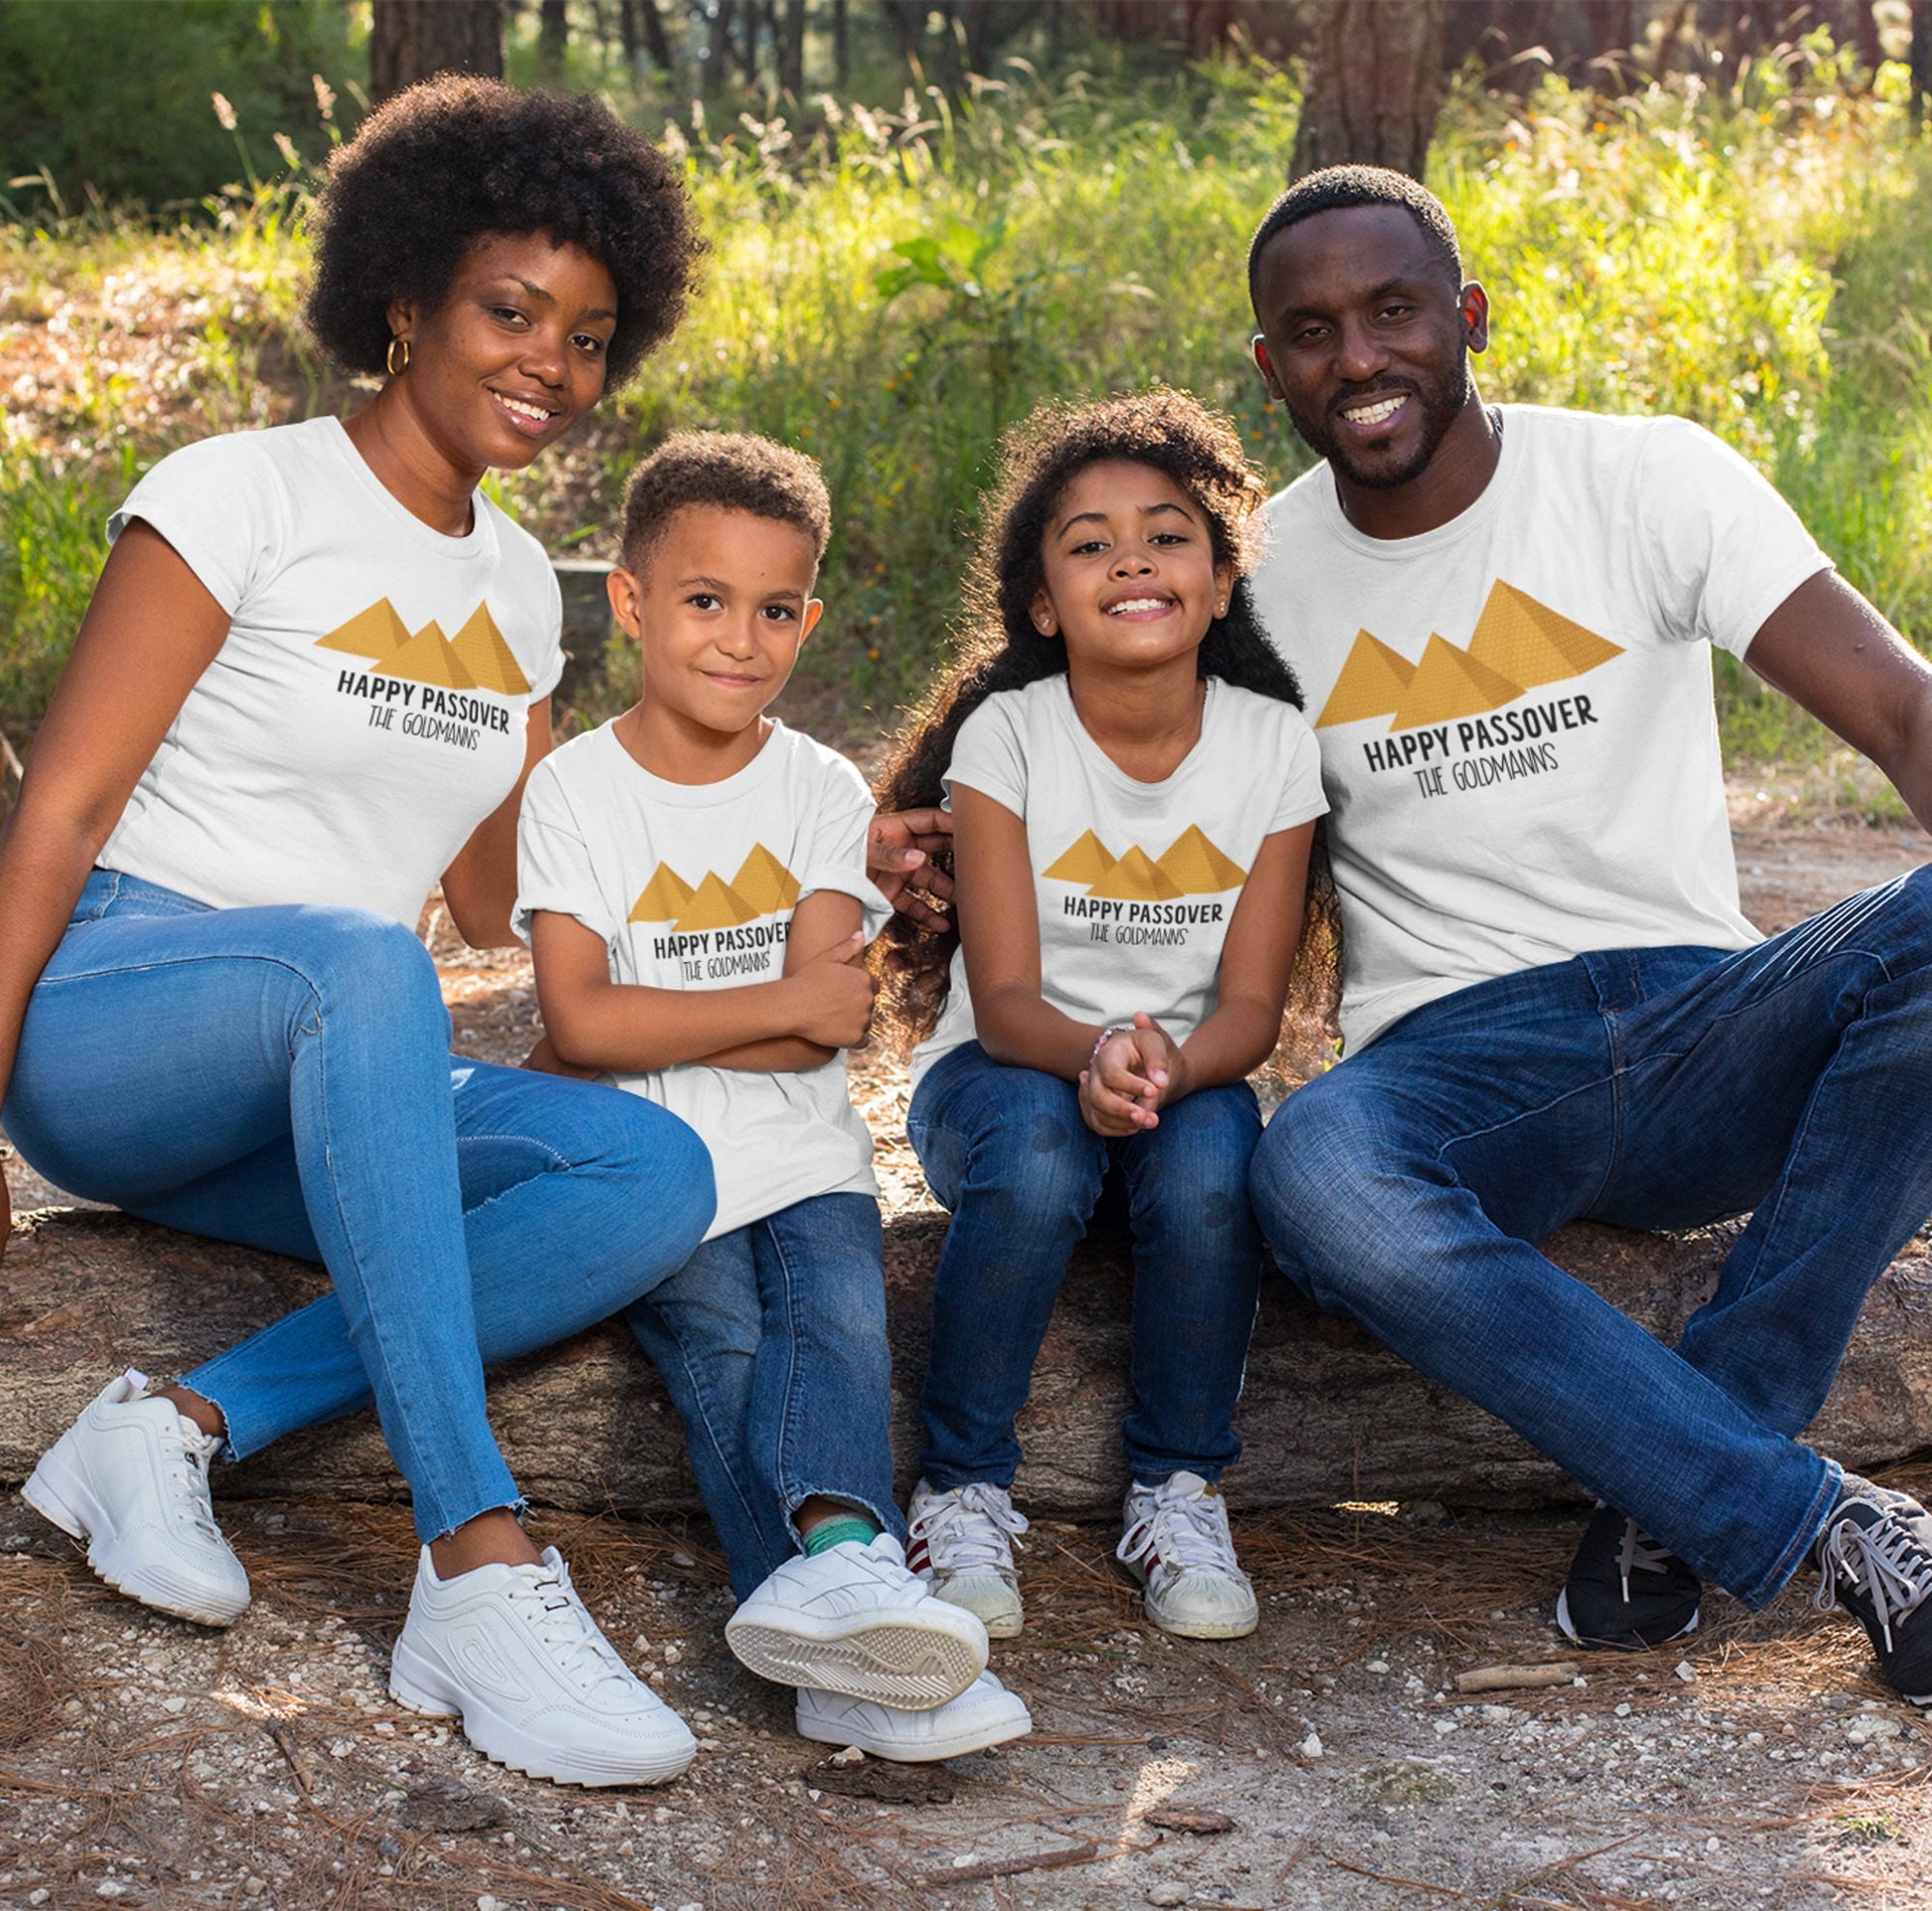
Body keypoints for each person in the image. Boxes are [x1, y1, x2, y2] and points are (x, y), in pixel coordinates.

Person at [2, 78, 720, 1787]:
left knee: (650, 1176)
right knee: (359, 960)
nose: (553, 361)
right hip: (122, 1013)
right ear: (402, 301)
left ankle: (179, 1424)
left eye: (591, 334)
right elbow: (61, 809)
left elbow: (490, 900)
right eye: (510, 310)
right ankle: (474, 1560)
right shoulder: (238, 490)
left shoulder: (516, 591)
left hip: (341, 1053)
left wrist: (737, 793)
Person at [1241, 165, 1932, 1705]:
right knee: (1309, 1171)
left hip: (1704, 1026)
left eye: (1391, 310)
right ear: (1269, 365)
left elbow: (1896, 704)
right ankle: (1797, 1510)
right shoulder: (1257, 583)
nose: (1356, 358)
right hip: (1457, 1068)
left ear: (1466, 317)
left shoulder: (1644, 477)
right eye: (1310, 330)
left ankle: (1684, 1469)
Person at [514, 430, 1032, 1761]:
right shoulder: (574, 790)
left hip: (805, 1162)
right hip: (654, 1174)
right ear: (629, 602)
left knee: (836, 1333)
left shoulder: (814, 786)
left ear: (809, 615)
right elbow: (575, 1016)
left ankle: (843, 1591)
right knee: (726, 1360)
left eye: (774, 608)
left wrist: (647, 1028)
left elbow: (821, 1034)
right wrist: (743, 1014)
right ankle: (861, 1649)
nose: (739, 639)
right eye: (703, 600)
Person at [874, 390, 1328, 1643]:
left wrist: (1168, 1066)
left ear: (1221, 581)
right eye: (1086, 541)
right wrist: (1095, 1056)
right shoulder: (1007, 734)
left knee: (1215, 1158)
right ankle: (962, 1487)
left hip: (1184, 1078)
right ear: (1040, 604)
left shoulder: (1274, 746)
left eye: (1166, 533)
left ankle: (1176, 1487)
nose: (1129, 556)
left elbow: (1250, 1006)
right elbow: (1009, 998)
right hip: (1003, 1072)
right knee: (1033, 1140)